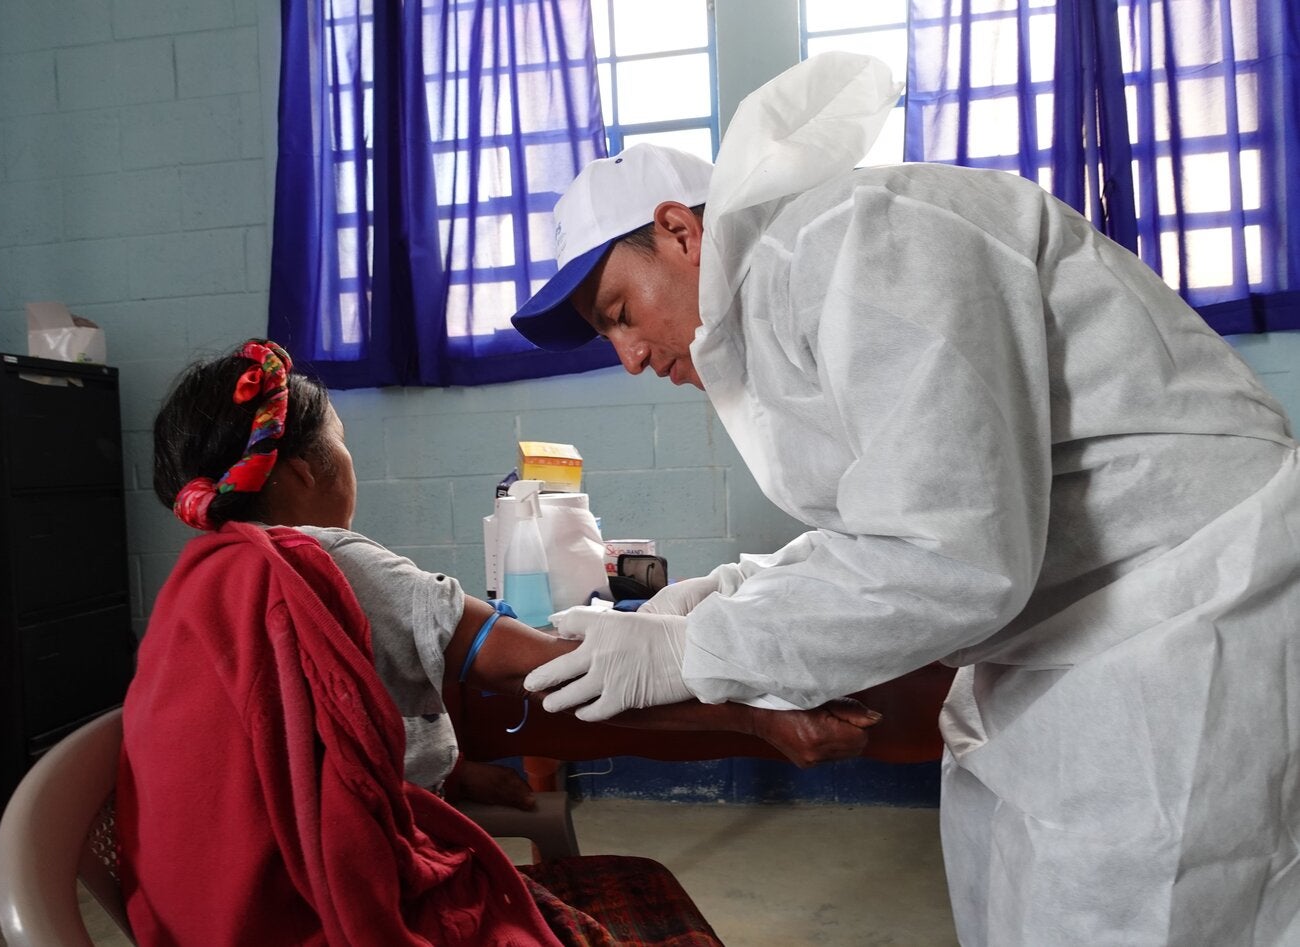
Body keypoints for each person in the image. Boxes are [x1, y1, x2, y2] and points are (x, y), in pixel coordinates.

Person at [509, 51, 1300, 946]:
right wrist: (727, 592)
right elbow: (894, 516)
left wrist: (692, 651)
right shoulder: (790, 292)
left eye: (618, 311)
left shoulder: (861, 239)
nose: (631, 358)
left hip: (1191, 616)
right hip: (1071, 640)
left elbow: (950, 554)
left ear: (679, 231)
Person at [117, 339, 882, 946]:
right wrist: (758, 718)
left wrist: (451, 772)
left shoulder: (194, 589)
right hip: (362, 909)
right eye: (343, 444)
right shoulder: (330, 562)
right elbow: (560, 672)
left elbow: (294, 763)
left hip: (234, 913)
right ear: (308, 466)